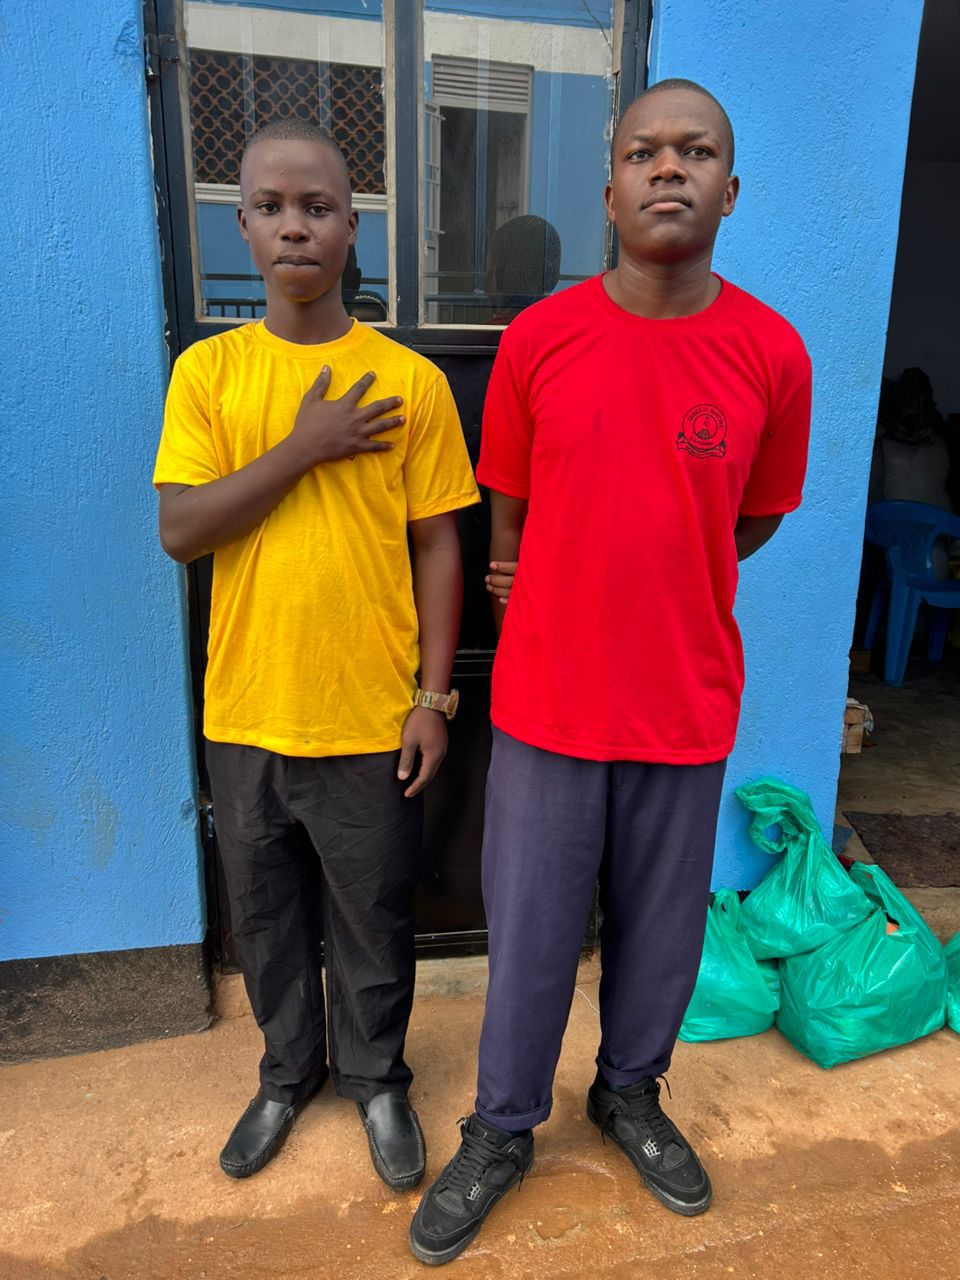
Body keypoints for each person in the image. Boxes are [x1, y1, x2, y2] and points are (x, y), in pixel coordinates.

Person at [409, 79, 812, 1265]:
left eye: (696, 152)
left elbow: (751, 519)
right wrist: (531, 572)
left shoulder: (772, 353)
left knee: (661, 935)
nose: (668, 168)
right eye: (645, 152)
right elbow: (507, 502)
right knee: (532, 933)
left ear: (730, 191)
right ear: (609, 190)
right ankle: (501, 1125)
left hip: (684, 700)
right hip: (549, 702)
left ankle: (630, 1090)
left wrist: (668, 565)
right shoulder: (542, 338)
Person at [153, 119, 479, 1189]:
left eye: (319, 207)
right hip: (247, 707)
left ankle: (376, 1079)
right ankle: (287, 1072)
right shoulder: (210, 373)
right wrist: (302, 447)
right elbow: (181, 529)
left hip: (368, 712)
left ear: (352, 229)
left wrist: (434, 696)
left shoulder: (409, 382)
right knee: (266, 915)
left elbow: (439, 543)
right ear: (240, 225)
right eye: (271, 207)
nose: (295, 225)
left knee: (374, 915)